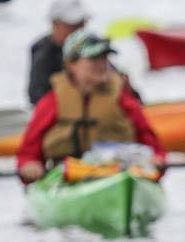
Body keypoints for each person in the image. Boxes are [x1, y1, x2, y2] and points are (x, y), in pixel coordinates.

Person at [16, 30, 166, 184]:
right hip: (67, 178)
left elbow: (150, 142)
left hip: (118, 174)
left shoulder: (123, 98)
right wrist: (29, 165)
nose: (102, 63)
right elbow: (29, 150)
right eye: (93, 58)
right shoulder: (51, 102)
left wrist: (156, 159)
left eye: (104, 57)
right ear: (71, 64)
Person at [28, 0, 89, 106]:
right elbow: (36, 95)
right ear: (55, 23)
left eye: (81, 24)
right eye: (72, 26)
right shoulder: (44, 53)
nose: (78, 30)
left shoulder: (90, 47)